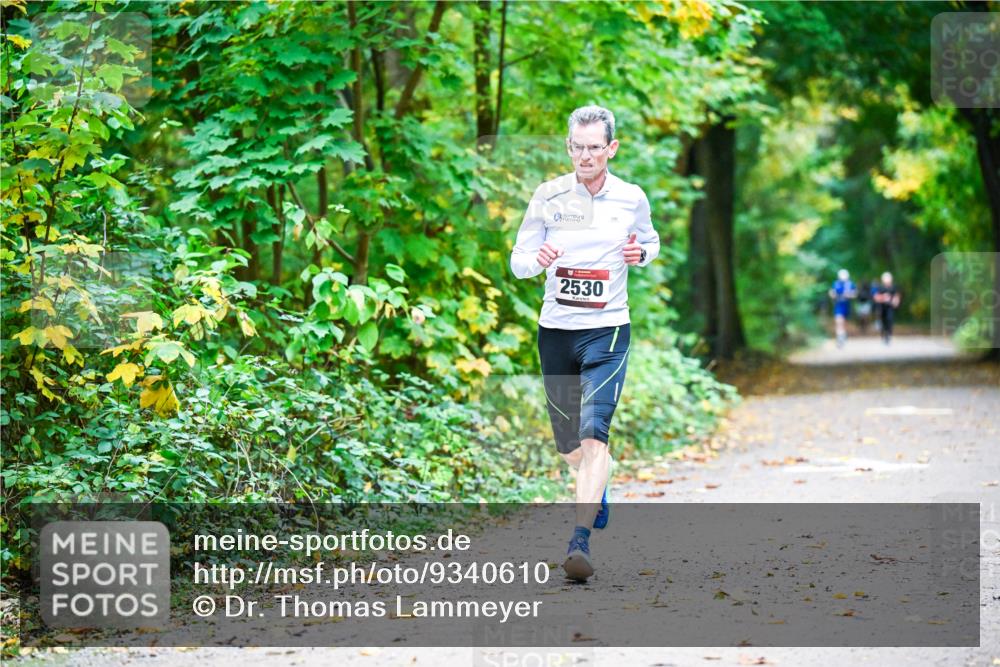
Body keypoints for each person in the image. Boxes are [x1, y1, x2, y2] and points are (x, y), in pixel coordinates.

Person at [510, 105, 659, 581]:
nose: (586, 156)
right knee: (570, 448)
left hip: (609, 329)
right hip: (556, 329)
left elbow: (650, 243)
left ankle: (579, 542)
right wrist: (540, 257)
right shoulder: (548, 196)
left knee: (596, 434)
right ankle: (596, 485)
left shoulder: (631, 198)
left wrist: (641, 253)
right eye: (578, 147)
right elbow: (518, 261)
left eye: (595, 147)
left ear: (611, 148)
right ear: (568, 146)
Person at [828, 269, 856, 348]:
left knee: (844, 322)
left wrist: (849, 295)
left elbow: (854, 293)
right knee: (839, 321)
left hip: (847, 305)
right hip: (838, 305)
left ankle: (843, 334)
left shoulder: (850, 284)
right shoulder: (836, 284)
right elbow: (832, 292)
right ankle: (840, 337)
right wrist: (832, 294)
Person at [873, 271, 901, 344]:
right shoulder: (880, 287)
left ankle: (889, 335)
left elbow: (896, 296)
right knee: (883, 322)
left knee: (890, 320)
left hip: (890, 307)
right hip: (882, 308)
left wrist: (896, 301)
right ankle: (883, 335)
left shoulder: (893, 287)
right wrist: (883, 297)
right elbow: (875, 297)